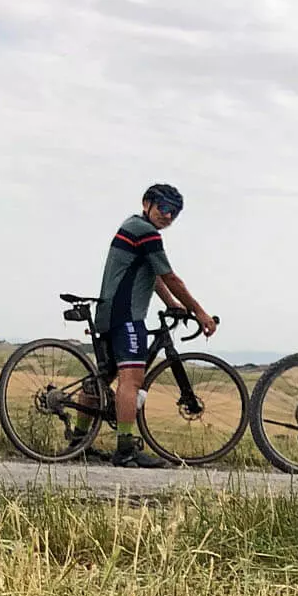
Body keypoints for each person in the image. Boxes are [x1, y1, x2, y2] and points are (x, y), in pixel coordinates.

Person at [92, 184, 216, 468]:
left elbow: (153, 276)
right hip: (126, 315)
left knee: (103, 376)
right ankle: (125, 449)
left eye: (175, 212)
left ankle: (77, 438)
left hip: (110, 311)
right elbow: (170, 276)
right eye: (164, 208)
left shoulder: (132, 226)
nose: (169, 215)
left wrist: (172, 303)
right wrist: (200, 312)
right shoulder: (146, 232)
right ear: (147, 203)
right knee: (131, 380)